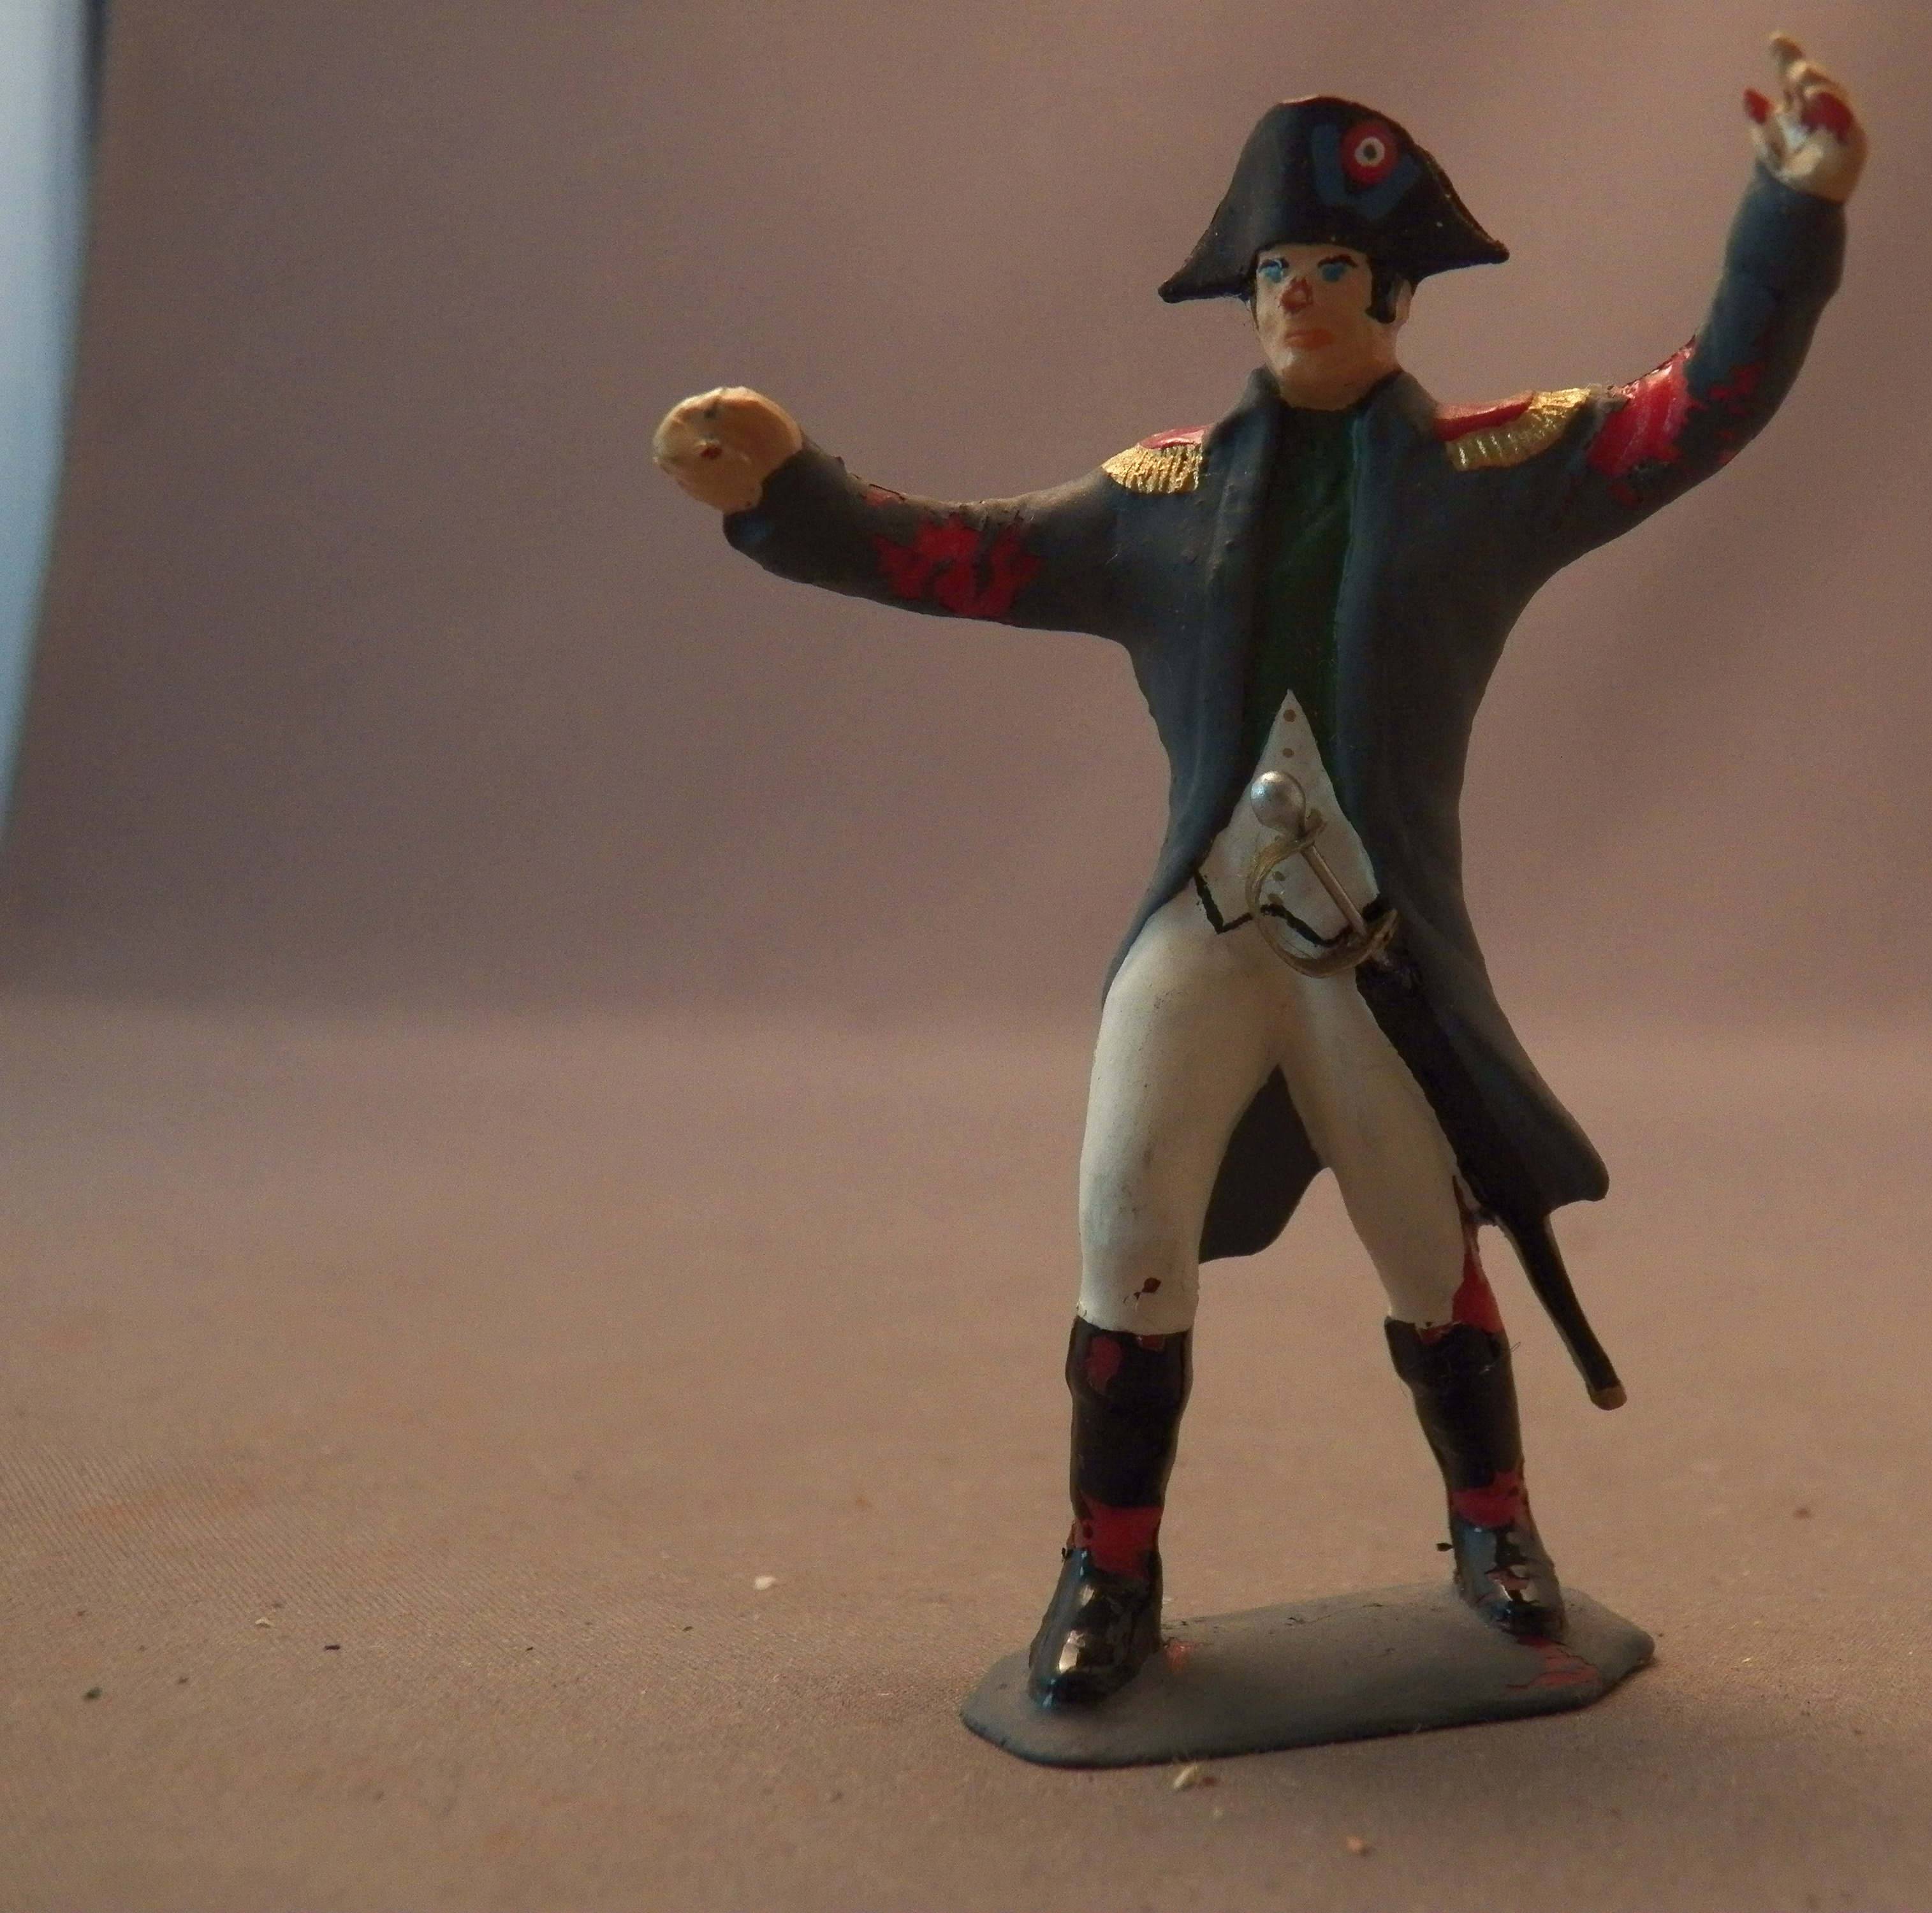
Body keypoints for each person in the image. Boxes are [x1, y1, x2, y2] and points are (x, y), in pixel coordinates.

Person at [653, 35, 1866, 1710]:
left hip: (1372, 945)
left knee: (1425, 1243)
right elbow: (962, 555)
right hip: (1207, 931)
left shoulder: (1488, 476)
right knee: (1123, 1220)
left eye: (1334, 268)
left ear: (1394, 292)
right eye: (1279, 270)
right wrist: (787, 493)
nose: (1300, 295)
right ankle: (1109, 1568)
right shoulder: (1158, 498)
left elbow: (1697, 410)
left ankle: (1497, 1531)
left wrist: (1790, 212)